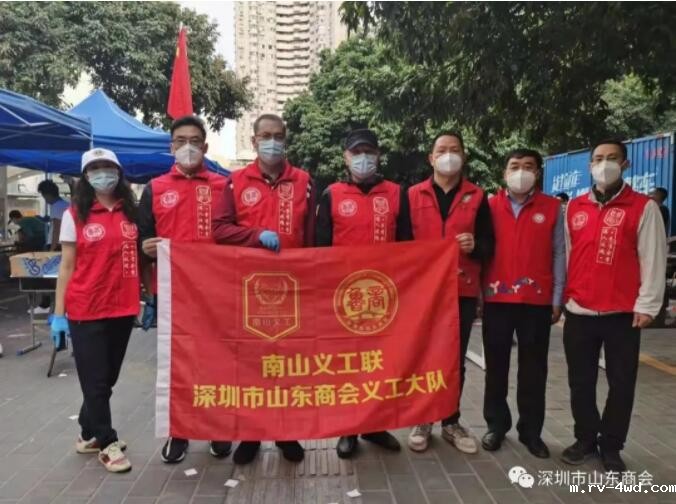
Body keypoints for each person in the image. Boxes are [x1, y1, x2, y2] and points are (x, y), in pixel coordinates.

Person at [212, 113, 315, 465]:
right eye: (266, 136)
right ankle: (252, 434)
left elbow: (312, 237)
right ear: (254, 141)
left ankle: (286, 434)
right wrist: (256, 236)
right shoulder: (236, 181)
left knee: (287, 365)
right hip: (249, 289)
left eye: (279, 135)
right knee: (251, 365)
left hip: (292, 289)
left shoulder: (303, 181)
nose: (273, 142)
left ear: (286, 139)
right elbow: (220, 229)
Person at [562, 139, 666, 472]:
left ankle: (611, 445)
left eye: (611, 158)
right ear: (590, 165)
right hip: (579, 310)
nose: (604, 164)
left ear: (625, 164)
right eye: (598, 158)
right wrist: (565, 297)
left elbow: (653, 258)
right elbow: (568, 256)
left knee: (621, 383)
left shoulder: (643, 208)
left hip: (622, 313)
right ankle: (585, 438)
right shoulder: (575, 207)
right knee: (580, 382)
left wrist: (647, 304)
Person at [138, 115, 232, 464]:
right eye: (180, 140)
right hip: (173, 294)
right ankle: (179, 432)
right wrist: (147, 249)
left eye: (194, 141)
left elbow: (235, 235)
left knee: (219, 361)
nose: (187, 147)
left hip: (218, 293)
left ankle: (219, 428)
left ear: (205, 146)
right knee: (178, 364)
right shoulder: (154, 188)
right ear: (171, 146)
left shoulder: (224, 186)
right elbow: (141, 239)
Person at [316, 128, 411, 459]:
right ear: (346, 157)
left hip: (384, 298)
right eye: (356, 153)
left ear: (378, 155)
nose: (363, 158)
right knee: (348, 366)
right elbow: (319, 249)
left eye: (369, 151)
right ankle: (349, 429)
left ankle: (376, 425)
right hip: (345, 299)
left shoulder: (397, 194)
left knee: (380, 364)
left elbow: (409, 247)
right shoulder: (331, 195)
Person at [50, 148, 138, 473]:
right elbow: (67, 265)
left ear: (119, 172)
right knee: (96, 380)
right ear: (86, 176)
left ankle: (87, 433)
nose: (103, 173)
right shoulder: (75, 214)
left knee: (107, 378)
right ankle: (106, 442)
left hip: (123, 306)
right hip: (86, 307)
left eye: (108, 167)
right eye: (95, 168)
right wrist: (59, 314)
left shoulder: (131, 211)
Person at [407, 132, 495, 454]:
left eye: (454, 150)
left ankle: (450, 420)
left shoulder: (477, 196)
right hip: (422, 292)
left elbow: (489, 244)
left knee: (454, 359)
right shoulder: (412, 195)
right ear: (431, 158)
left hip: (461, 290)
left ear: (463, 156)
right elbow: (400, 242)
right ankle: (423, 418)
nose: (448, 155)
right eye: (441, 150)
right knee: (422, 355)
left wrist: (475, 246)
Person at [480, 149, 565, 458]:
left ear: (537, 173)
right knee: (496, 368)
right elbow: (481, 252)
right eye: (514, 166)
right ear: (505, 173)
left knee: (533, 370)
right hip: (497, 299)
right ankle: (496, 425)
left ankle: (531, 432)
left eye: (528, 166)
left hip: (536, 301)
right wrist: (479, 295)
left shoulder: (553, 208)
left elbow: (559, 253)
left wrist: (557, 296)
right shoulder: (489, 206)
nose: (521, 172)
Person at [37, 179, 70, 251]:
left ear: (47, 195)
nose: (45, 200)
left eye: (44, 196)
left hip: (57, 244)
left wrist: (52, 248)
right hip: (65, 242)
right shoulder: (65, 204)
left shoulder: (56, 206)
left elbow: (57, 229)